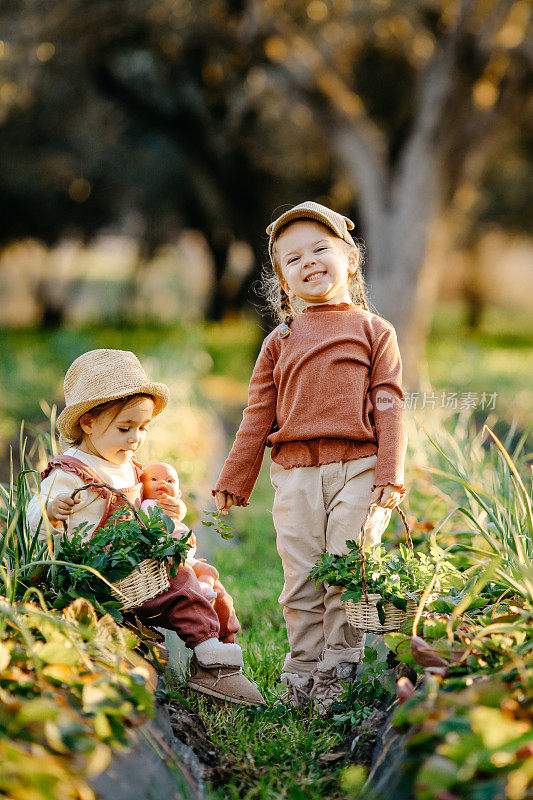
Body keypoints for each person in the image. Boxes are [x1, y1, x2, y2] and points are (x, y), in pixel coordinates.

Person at [212, 201, 407, 712]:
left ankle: (339, 670)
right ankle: (302, 671)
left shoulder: (374, 331)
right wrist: (236, 476)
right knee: (300, 577)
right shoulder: (280, 341)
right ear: (283, 282)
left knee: (347, 569)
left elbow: (389, 404)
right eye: (293, 259)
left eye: (321, 248)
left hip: (360, 468)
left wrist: (390, 472)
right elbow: (258, 413)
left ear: (351, 259)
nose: (310, 262)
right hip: (296, 473)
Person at [27, 348, 265, 707]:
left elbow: (153, 509)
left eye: (142, 427)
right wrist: (51, 509)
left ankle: (222, 658)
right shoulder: (70, 470)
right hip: (108, 573)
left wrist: (173, 509)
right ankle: (208, 654)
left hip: (143, 567)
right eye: (125, 428)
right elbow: (36, 509)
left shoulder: (131, 466)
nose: (135, 438)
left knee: (209, 578)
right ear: (88, 423)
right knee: (185, 586)